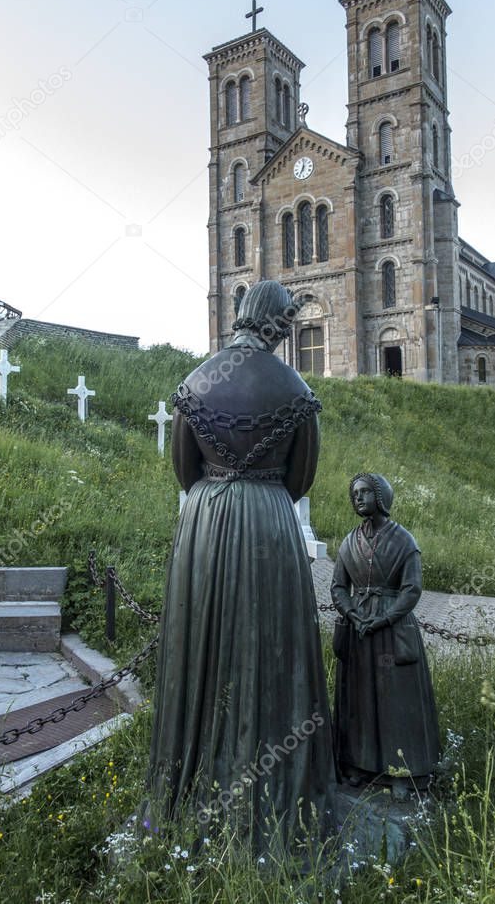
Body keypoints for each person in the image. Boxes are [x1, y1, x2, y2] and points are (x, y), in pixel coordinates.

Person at [147, 280, 336, 847]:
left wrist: (217, 489)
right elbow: (301, 477)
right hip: (269, 522)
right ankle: (272, 786)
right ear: (278, 324)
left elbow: (184, 467)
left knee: (200, 638)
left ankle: (191, 778)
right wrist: (262, 490)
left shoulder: (197, 378)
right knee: (268, 642)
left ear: (241, 317)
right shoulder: (295, 387)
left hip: (204, 523)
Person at [331, 473, 440, 799]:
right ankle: (359, 766)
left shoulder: (404, 540)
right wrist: (352, 613)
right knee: (359, 700)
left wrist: (384, 618)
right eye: (355, 494)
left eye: (365, 492)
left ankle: (403, 774)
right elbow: (338, 586)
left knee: (396, 703)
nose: (358, 499)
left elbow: (412, 589)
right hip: (358, 630)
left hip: (392, 632)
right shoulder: (350, 542)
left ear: (382, 497)